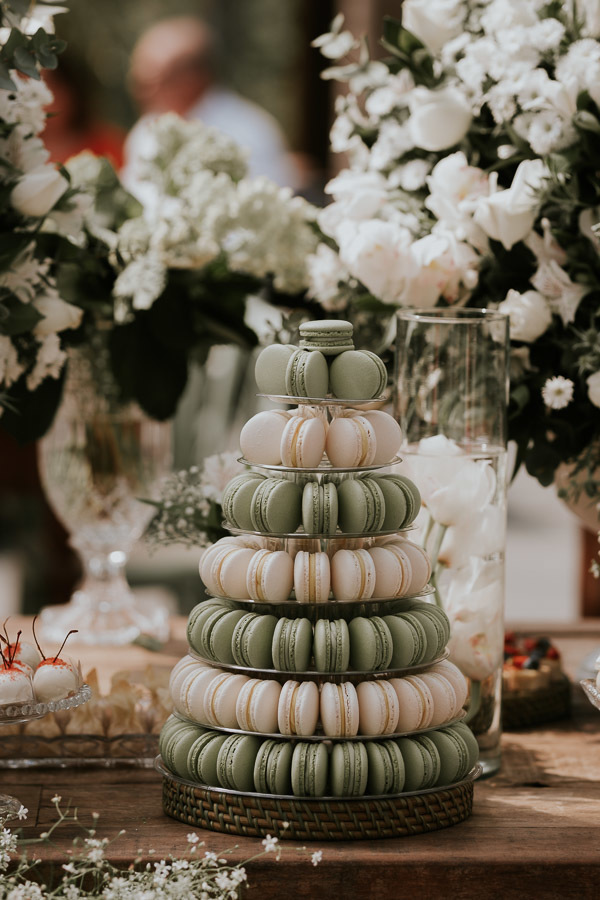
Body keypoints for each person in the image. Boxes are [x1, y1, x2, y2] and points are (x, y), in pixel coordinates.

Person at [122, 16, 299, 192]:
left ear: (191, 78)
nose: (139, 91)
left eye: (150, 81)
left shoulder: (248, 129)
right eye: (137, 79)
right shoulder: (145, 130)